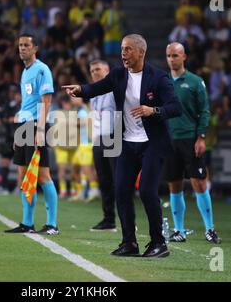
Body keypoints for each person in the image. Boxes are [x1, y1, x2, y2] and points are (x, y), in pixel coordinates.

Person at [63, 34, 182, 257]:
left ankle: (159, 243)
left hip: (152, 143)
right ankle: (129, 243)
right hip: (127, 142)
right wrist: (80, 89)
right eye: (122, 50)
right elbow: (97, 88)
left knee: (147, 191)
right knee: (121, 191)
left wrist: (153, 111)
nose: (123, 54)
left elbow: (175, 107)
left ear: (140, 52)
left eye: (128, 50)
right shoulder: (118, 74)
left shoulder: (158, 77)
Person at [164, 42, 222, 244]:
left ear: (184, 57)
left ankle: (210, 229)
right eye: (169, 56)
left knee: (199, 183)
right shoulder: (162, 82)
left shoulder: (196, 82)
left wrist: (201, 137)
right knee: (174, 185)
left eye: (175, 55)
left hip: (191, 139)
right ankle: (178, 230)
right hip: (170, 140)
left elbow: (204, 111)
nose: (172, 59)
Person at [4, 34, 59, 235]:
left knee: (43, 175)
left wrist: (41, 130)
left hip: (37, 126)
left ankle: (52, 224)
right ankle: (27, 223)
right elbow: (27, 101)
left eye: (26, 45)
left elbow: (46, 102)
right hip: (24, 125)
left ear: (35, 48)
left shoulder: (42, 70)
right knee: (22, 174)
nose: (22, 48)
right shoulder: (25, 71)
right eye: (20, 45)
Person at [88, 59, 117, 231]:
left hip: (113, 136)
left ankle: (129, 220)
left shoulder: (114, 90)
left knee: (118, 179)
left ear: (107, 70)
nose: (95, 73)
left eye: (98, 69)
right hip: (98, 139)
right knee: (104, 180)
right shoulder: (94, 93)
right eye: (92, 71)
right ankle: (108, 219)